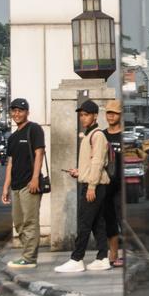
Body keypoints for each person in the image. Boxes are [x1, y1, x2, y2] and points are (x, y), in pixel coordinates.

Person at [57, 99, 112, 272]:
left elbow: (97, 163)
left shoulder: (97, 135)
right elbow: (91, 164)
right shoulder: (90, 135)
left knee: (84, 222)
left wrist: (91, 186)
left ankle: (77, 259)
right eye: (81, 115)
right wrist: (79, 172)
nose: (82, 118)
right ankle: (103, 257)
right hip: (91, 182)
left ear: (95, 116)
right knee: (97, 223)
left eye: (86, 115)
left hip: (93, 185)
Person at [2, 98, 46, 269]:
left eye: (20, 110)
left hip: (30, 184)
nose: (16, 114)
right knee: (19, 223)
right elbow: (10, 163)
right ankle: (27, 254)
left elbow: (39, 153)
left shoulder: (34, 129)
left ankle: (29, 258)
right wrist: (5, 186)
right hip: (16, 186)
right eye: (13, 111)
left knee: (30, 221)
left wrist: (35, 178)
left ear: (27, 112)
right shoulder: (12, 137)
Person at [102, 99, 124, 267]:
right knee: (110, 220)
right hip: (107, 185)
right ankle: (113, 254)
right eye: (109, 112)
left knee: (123, 219)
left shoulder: (125, 136)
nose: (111, 116)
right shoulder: (102, 135)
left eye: (114, 113)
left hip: (123, 185)